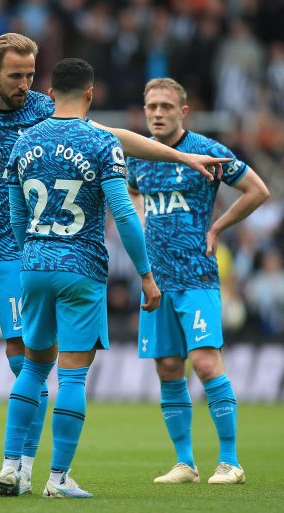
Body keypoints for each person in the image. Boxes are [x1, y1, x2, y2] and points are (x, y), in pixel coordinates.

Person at [0, 32, 230, 497]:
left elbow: (114, 138)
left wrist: (178, 155)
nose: (25, 84)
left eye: (30, 75)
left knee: (26, 362)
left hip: (21, 257)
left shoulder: (43, 110)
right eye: (16, 76)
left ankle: (19, 468)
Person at [5, 57, 160, 499]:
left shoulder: (24, 141)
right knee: (71, 378)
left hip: (34, 265)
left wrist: (32, 253)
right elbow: (125, 215)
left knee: (33, 368)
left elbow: (16, 217)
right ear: (90, 93)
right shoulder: (101, 141)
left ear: (51, 93)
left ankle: (11, 468)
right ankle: (57, 479)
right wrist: (146, 275)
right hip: (81, 269)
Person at [127, 78, 269, 485]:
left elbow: (257, 190)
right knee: (169, 367)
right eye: (152, 106)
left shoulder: (206, 150)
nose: (157, 113)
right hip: (156, 282)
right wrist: (140, 221)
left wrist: (218, 227)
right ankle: (185, 463)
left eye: (166, 107)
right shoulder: (139, 156)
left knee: (205, 363)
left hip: (198, 277)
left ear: (183, 112)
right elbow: (133, 192)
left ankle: (230, 462)